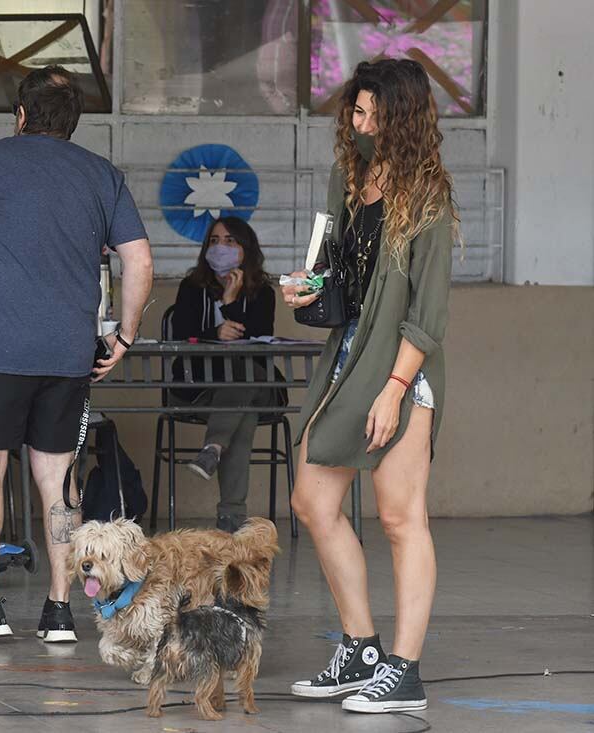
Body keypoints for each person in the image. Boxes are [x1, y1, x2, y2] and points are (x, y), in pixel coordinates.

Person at [0, 66, 153, 643]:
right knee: (58, 482)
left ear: (22, 115)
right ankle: (59, 609)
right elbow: (141, 262)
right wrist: (124, 336)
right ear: (73, 123)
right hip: (66, 352)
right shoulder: (102, 174)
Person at [282, 59, 456, 714]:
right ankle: (360, 647)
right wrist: (309, 285)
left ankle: (404, 670)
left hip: (402, 367)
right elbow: (331, 269)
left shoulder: (429, 195)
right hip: (346, 356)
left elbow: (429, 311)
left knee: (399, 515)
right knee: (311, 501)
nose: (360, 125)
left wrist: (395, 388)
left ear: (403, 119)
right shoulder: (347, 179)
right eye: (355, 112)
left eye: (374, 116)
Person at [170, 216, 278, 533]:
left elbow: (259, 339)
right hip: (198, 386)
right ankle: (231, 517)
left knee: (244, 373)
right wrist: (215, 332)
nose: (221, 247)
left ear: (246, 249)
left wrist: (231, 303)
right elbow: (180, 335)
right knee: (242, 415)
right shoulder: (191, 288)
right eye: (215, 241)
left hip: (253, 384)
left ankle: (212, 449)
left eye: (230, 241)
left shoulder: (263, 292)